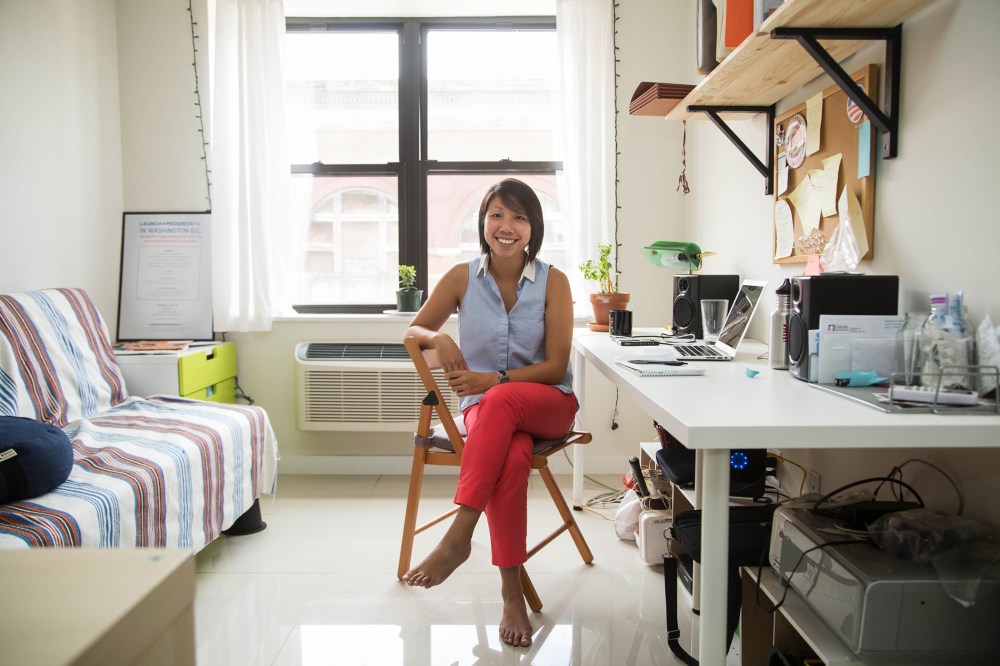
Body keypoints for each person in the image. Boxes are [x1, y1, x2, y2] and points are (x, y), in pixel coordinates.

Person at [401, 178, 578, 648]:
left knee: (498, 398)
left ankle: (460, 535)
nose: (507, 226)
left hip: (549, 405)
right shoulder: (461, 278)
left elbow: (556, 365)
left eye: (519, 217)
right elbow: (414, 328)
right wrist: (438, 337)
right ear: (483, 222)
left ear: (533, 228)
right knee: (513, 457)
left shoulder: (554, 281)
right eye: (497, 214)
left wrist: (494, 381)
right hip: (485, 415)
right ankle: (511, 592)